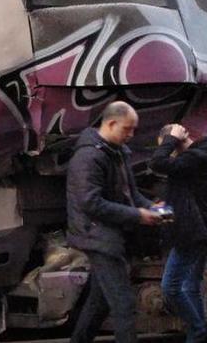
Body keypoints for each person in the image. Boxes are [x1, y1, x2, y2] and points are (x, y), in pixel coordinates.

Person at [67, 101, 164, 343]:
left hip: (108, 234)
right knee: (124, 305)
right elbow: (91, 203)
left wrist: (152, 207)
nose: (131, 135)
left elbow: (130, 193)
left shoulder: (116, 152)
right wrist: (138, 215)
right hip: (97, 236)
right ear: (111, 123)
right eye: (127, 129)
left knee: (98, 303)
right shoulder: (88, 157)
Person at [149, 124, 207, 343]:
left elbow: (157, 163)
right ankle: (197, 334)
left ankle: (197, 330)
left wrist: (171, 139)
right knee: (191, 285)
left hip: (193, 233)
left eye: (169, 148)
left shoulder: (196, 159)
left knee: (170, 287)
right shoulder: (203, 157)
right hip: (202, 230)